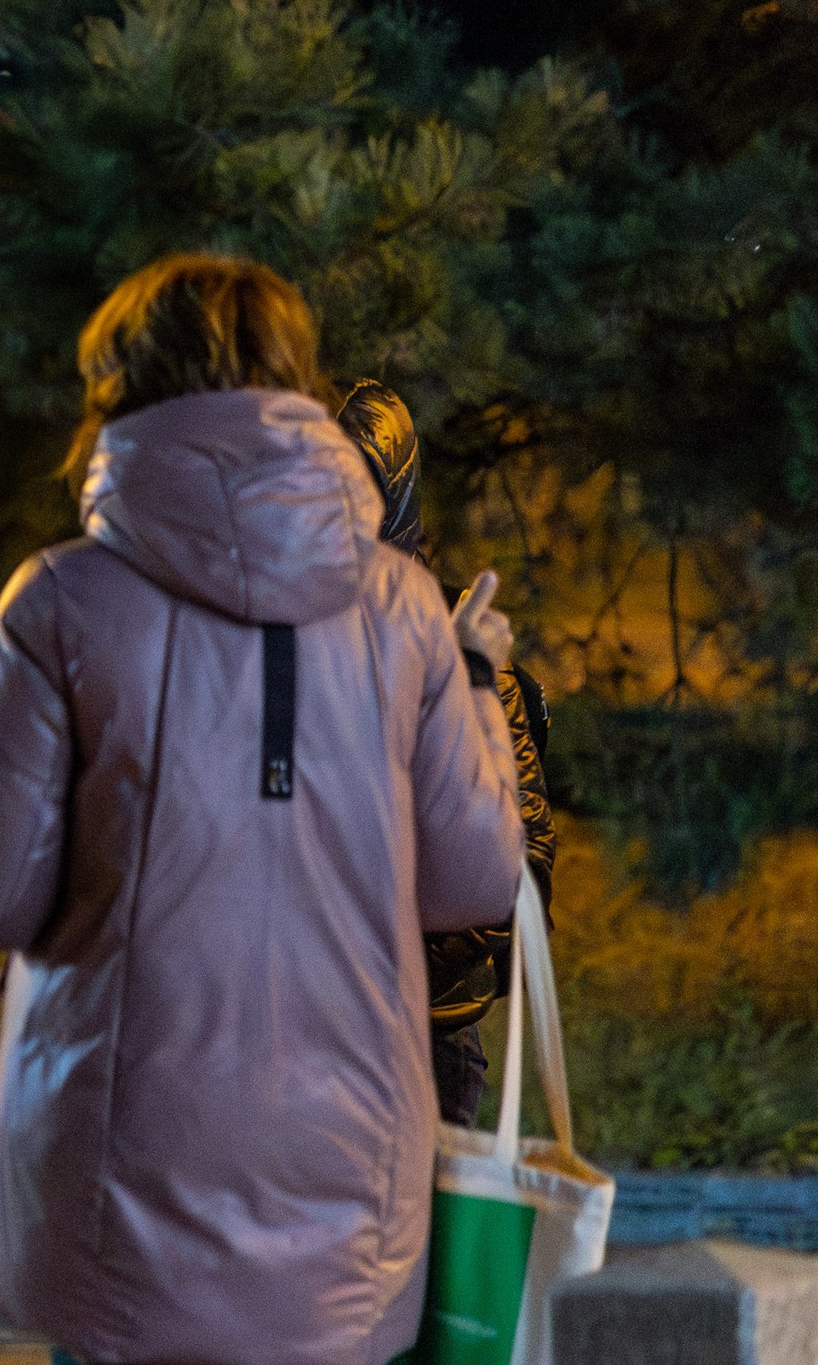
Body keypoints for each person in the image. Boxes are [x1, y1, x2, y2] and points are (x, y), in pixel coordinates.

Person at [0, 255, 524, 1365]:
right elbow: (472, 875)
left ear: (120, 383)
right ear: (294, 377)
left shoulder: (63, 597)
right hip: (348, 1159)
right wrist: (480, 688)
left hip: (125, 1173)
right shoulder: (403, 607)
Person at [333, 378, 558, 1128]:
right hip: (283, 1046)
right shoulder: (250, 638)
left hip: (418, 1038)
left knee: (414, 1244)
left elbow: (518, 880)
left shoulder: (456, 638)